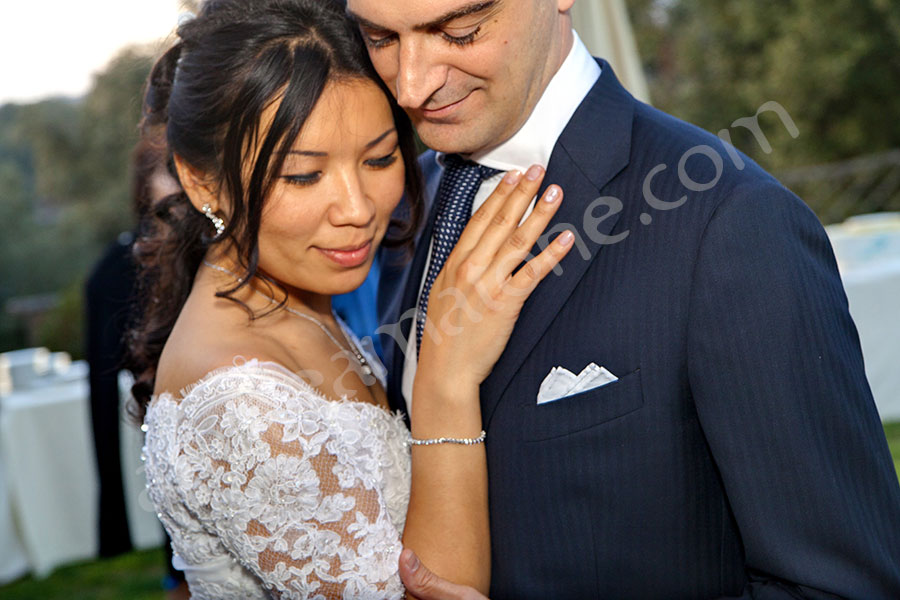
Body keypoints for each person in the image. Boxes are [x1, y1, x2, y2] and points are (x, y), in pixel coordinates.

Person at [351, 0, 900, 597]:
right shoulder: (401, 200)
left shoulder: (730, 222)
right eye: (380, 38)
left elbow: (844, 587)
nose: (411, 85)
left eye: (459, 32)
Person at [128, 0, 571, 598]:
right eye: (304, 176)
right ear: (204, 180)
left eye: (380, 158)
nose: (358, 209)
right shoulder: (241, 403)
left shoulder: (298, 302)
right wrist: (446, 383)